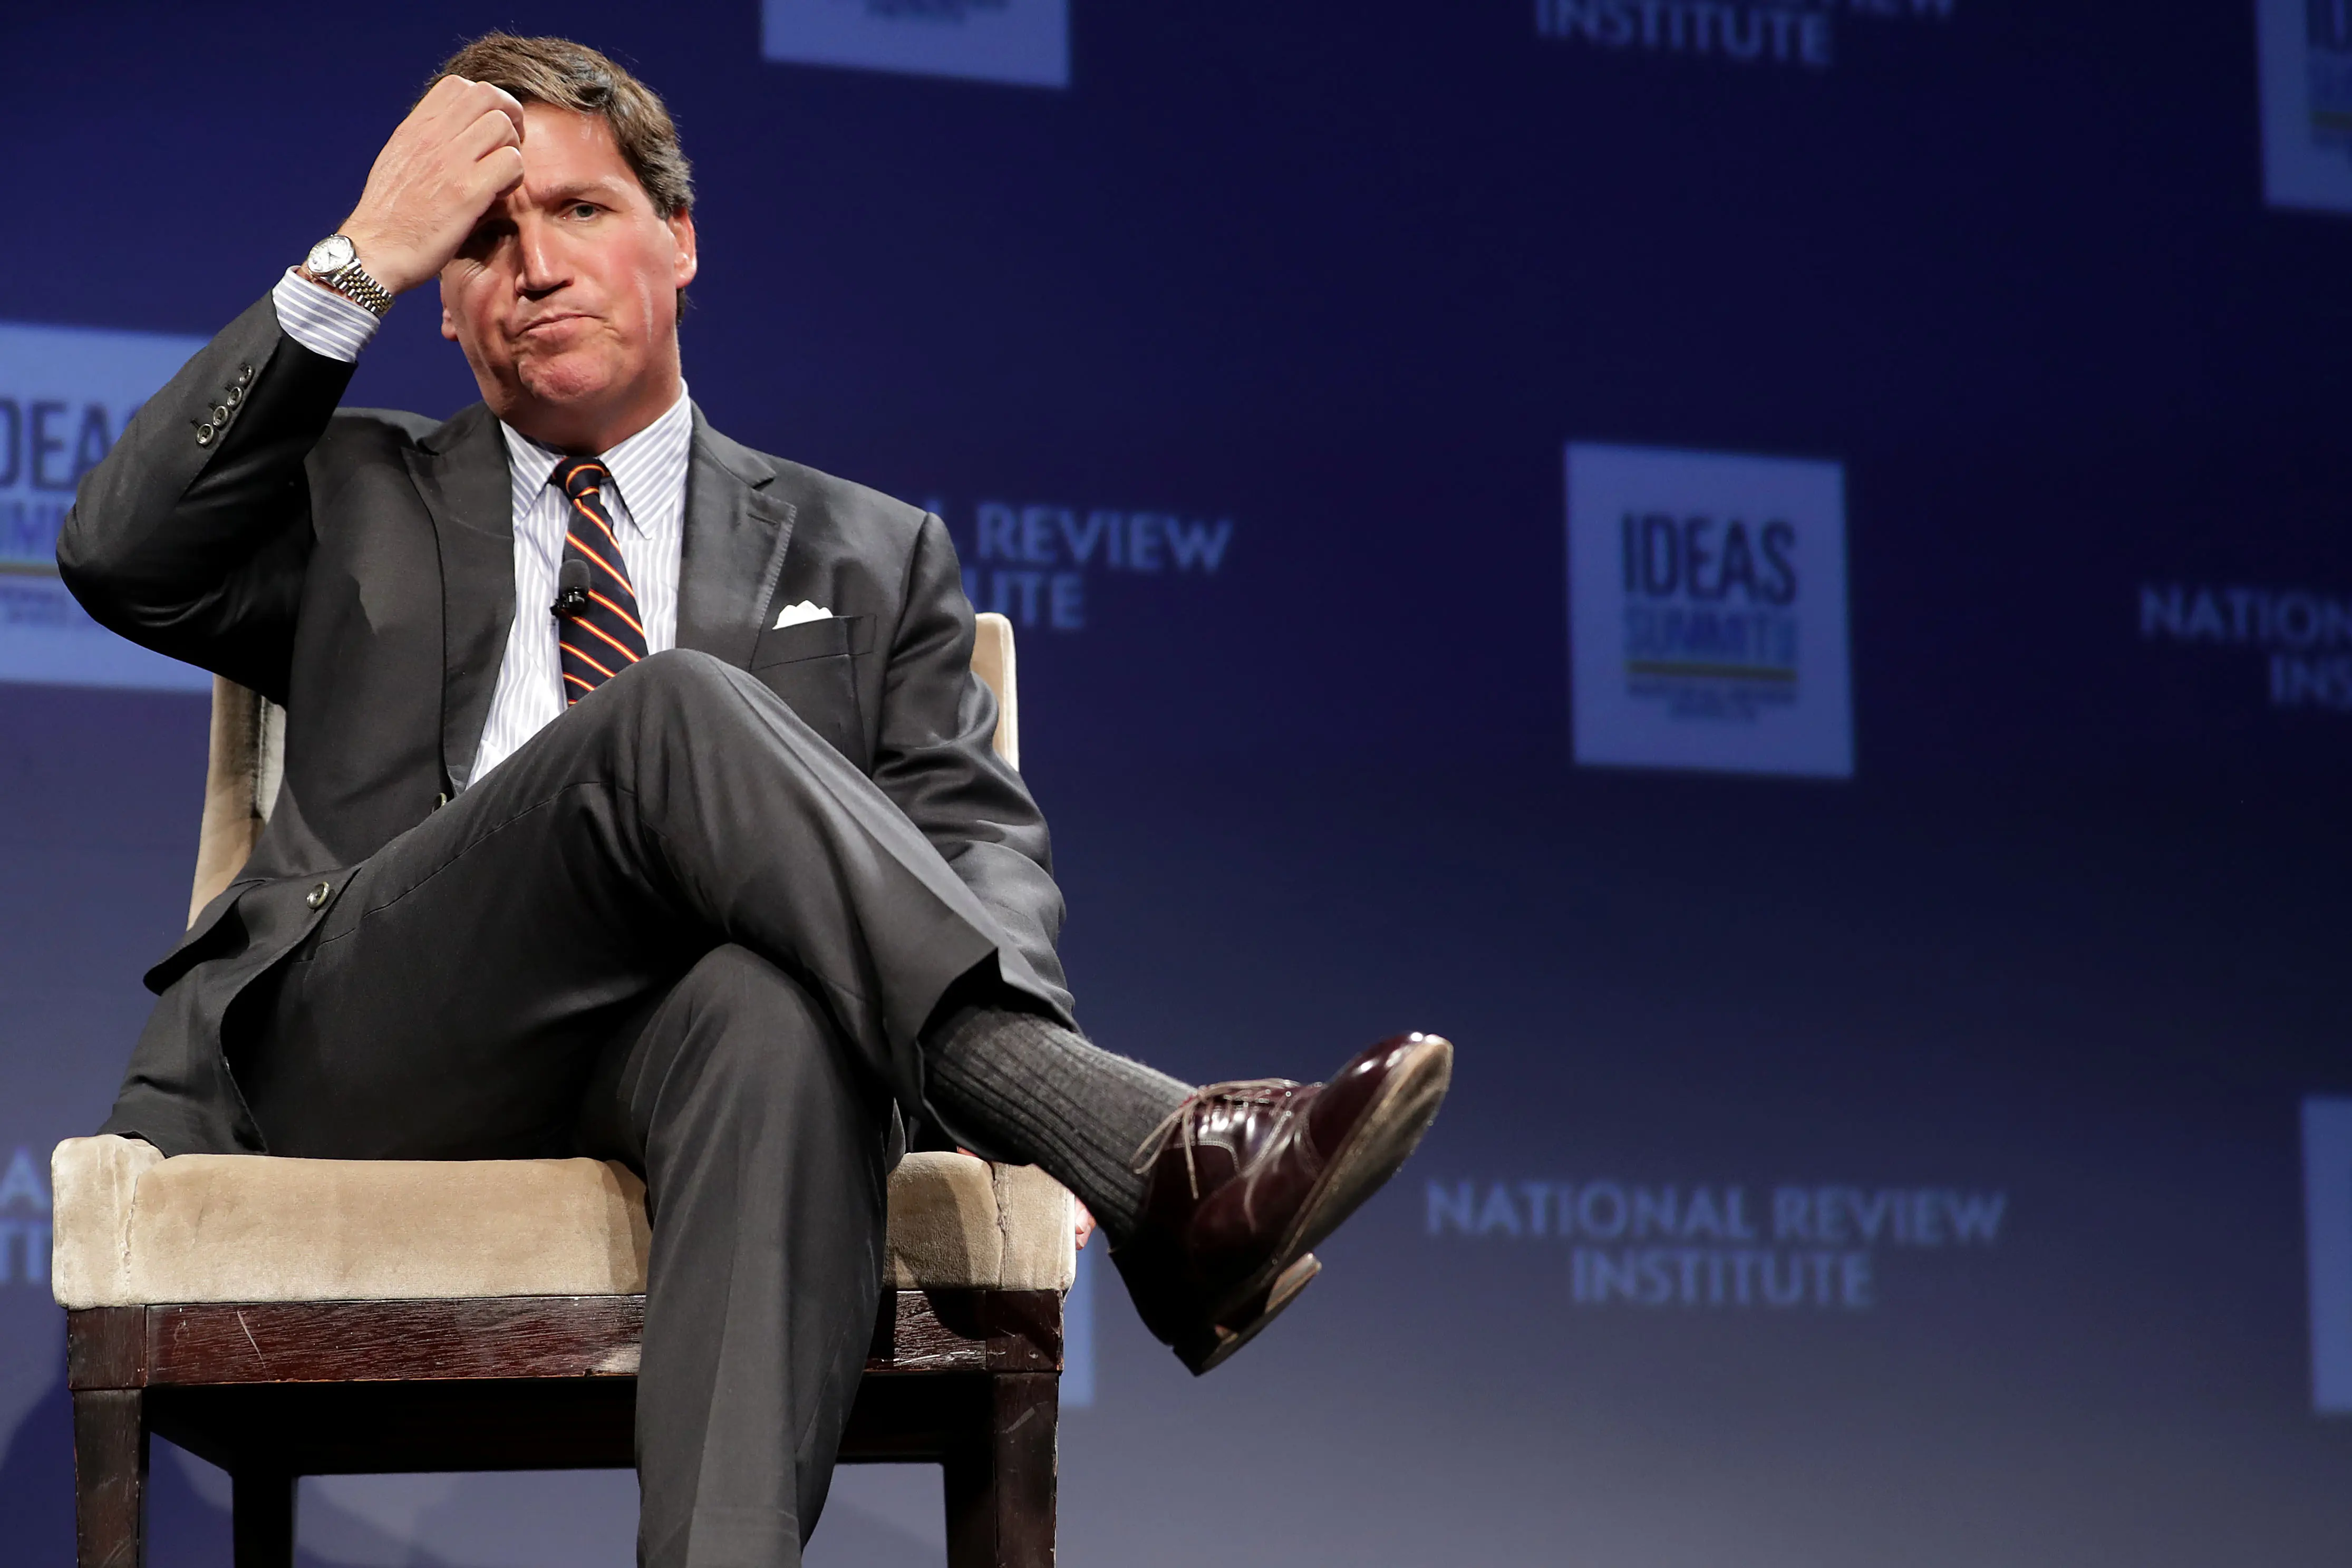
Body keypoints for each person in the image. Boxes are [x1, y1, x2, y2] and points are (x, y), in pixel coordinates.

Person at [58, 33, 1451, 1568]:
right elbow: (120, 554)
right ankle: (1136, 1148)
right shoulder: (347, 491)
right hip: (376, 1043)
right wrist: (362, 254)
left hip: (679, 1056)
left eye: (579, 210)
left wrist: (980, 1118)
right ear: (443, 301)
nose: (534, 267)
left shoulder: (873, 554)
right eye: (481, 240)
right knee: (670, 710)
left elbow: (976, 844)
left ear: (679, 239)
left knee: (777, 1021)